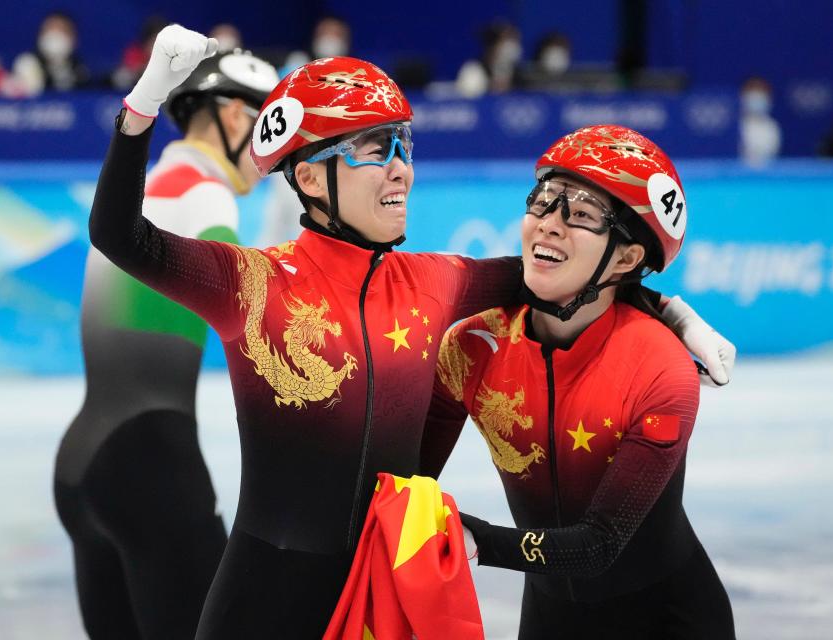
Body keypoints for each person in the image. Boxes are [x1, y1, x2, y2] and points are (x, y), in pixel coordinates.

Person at [91, 26, 733, 637]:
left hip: (385, 586)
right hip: (264, 594)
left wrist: (670, 311)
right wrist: (143, 107)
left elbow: (564, 269)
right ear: (310, 177)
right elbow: (121, 235)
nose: (401, 169)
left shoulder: (436, 283)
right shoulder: (250, 284)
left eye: (405, 147)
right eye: (376, 151)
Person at [421, 125, 735, 638]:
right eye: (544, 202)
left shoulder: (661, 368)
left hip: (667, 620)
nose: (550, 224)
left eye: (582, 214)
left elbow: (598, 544)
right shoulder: (473, 347)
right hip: (549, 618)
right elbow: (402, 478)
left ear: (628, 258)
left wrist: (476, 538)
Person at [53, 46, 280, 639]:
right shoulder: (205, 193)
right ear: (235, 117)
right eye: (272, 125)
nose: (276, 152)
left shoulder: (150, 185)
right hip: (149, 465)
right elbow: (257, 322)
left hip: (84, 464)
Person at [11, 12, 92, 95]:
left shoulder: (80, 69)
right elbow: (32, 94)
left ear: (74, 38)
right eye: (50, 29)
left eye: (62, 30)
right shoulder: (28, 63)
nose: (55, 36)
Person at [738, 76, 781, 166]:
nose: (756, 97)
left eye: (760, 92)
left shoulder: (772, 127)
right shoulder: (736, 126)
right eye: (752, 91)